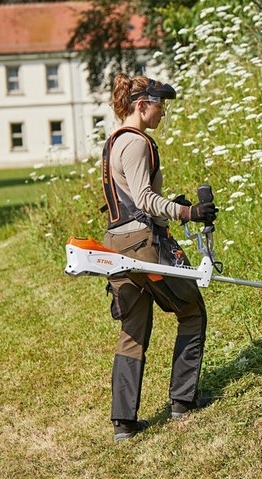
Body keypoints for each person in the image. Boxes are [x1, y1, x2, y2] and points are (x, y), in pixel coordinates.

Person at [100, 73, 217, 443]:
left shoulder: (113, 142)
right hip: (142, 245)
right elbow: (145, 199)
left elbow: (131, 202)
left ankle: (124, 423)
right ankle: (183, 401)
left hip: (115, 245)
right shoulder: (136, 143)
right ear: (141, 105)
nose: (163, 113)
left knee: (132, 331)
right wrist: (189, 214)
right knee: (191, 310)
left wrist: (172, 207)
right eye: (159, 106)